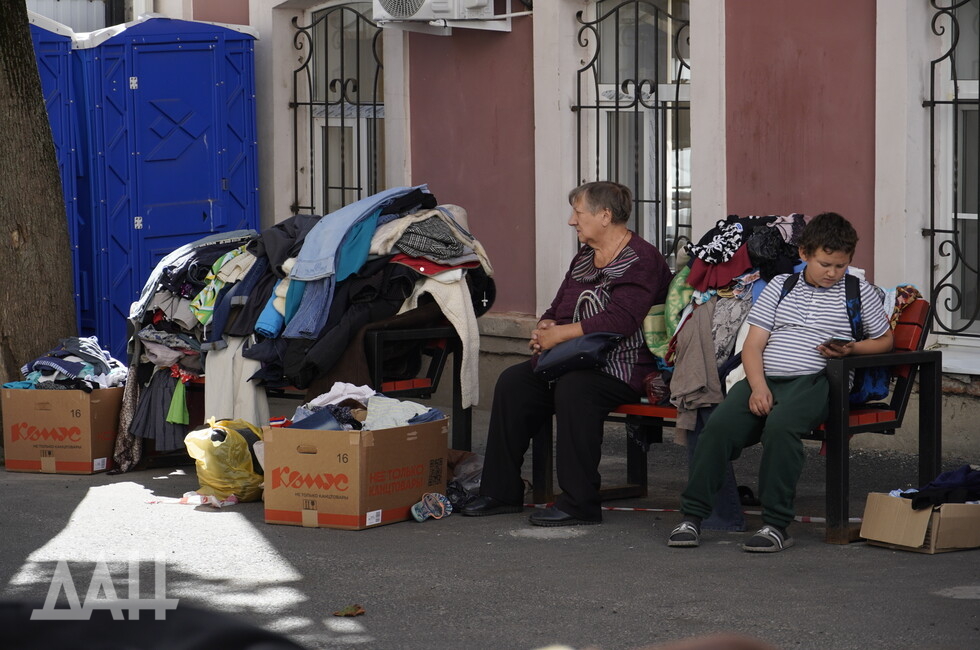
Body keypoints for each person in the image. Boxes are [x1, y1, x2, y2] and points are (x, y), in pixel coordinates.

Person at [667, 212, 893, 552]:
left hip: (816, 381)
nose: (833, 273)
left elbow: (884, 341)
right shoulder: (780, 286)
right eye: (825, 264)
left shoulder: (857, 292)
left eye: (840, 266)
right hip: (766, 378)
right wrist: (758, 387)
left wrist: (851, 348)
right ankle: (692, 517)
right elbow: (753, 346)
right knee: (716, 428)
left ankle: (775, 525)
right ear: (803, 254)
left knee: (780, 428)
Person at [462, 181, 671, 525]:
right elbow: (560, 303)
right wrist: (545, 326)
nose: (572, 221)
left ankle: (579, 503)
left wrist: (560, 335)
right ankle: (500, 492)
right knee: (514, 382)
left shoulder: (642, 259)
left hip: (621, 367)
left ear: (605, 216)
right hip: (573, 360)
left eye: (578, 212)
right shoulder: (585, 257)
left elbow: (621, 319)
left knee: (575, 389)